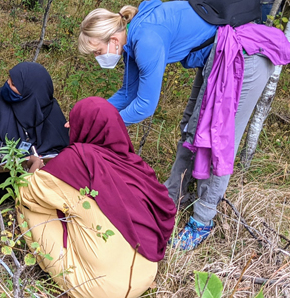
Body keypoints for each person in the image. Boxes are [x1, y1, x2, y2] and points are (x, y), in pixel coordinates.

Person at [77, 0, 290, 250]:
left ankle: (202, 220)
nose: (98, 58)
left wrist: (104, 127)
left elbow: (145, 105)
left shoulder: (146, 40)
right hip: (216, 56)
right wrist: (91, 117)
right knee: (191, 128)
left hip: (244, 57)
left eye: (97, 52)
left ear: (112, 39)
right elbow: (128, 93)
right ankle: (173, 197)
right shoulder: (132, 38)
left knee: (217, 140)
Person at [18, 97, 176, 298]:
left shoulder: (76, 160)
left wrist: (34, 169)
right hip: (145, 273)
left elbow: (28, 193)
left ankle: (68, 276)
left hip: (103, 289)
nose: (67, 125)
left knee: (26, 204)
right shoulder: (135, 165)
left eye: (73, 120)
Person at [0, 62, 69, 203]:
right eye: (9, 78)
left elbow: (61, 145)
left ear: (31, 91)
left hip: (38, 175)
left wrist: (39, 159)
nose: (8, 84)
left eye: (14, 84)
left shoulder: (48, 109)